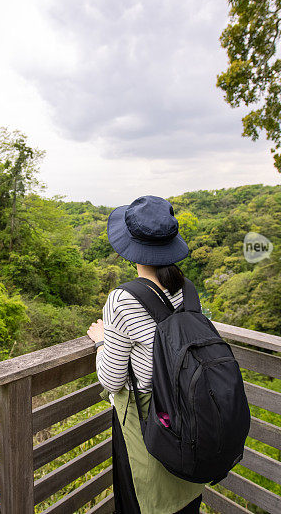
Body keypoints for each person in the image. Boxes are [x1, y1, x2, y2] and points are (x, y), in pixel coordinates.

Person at [87, 195, 204, 514]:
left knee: (143, 501)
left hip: (145, 424)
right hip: (188, 420)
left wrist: (100, 342)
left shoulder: (122, 300)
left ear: (131, 247)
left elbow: (111, 381)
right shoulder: (189, 291)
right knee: (185, 500)